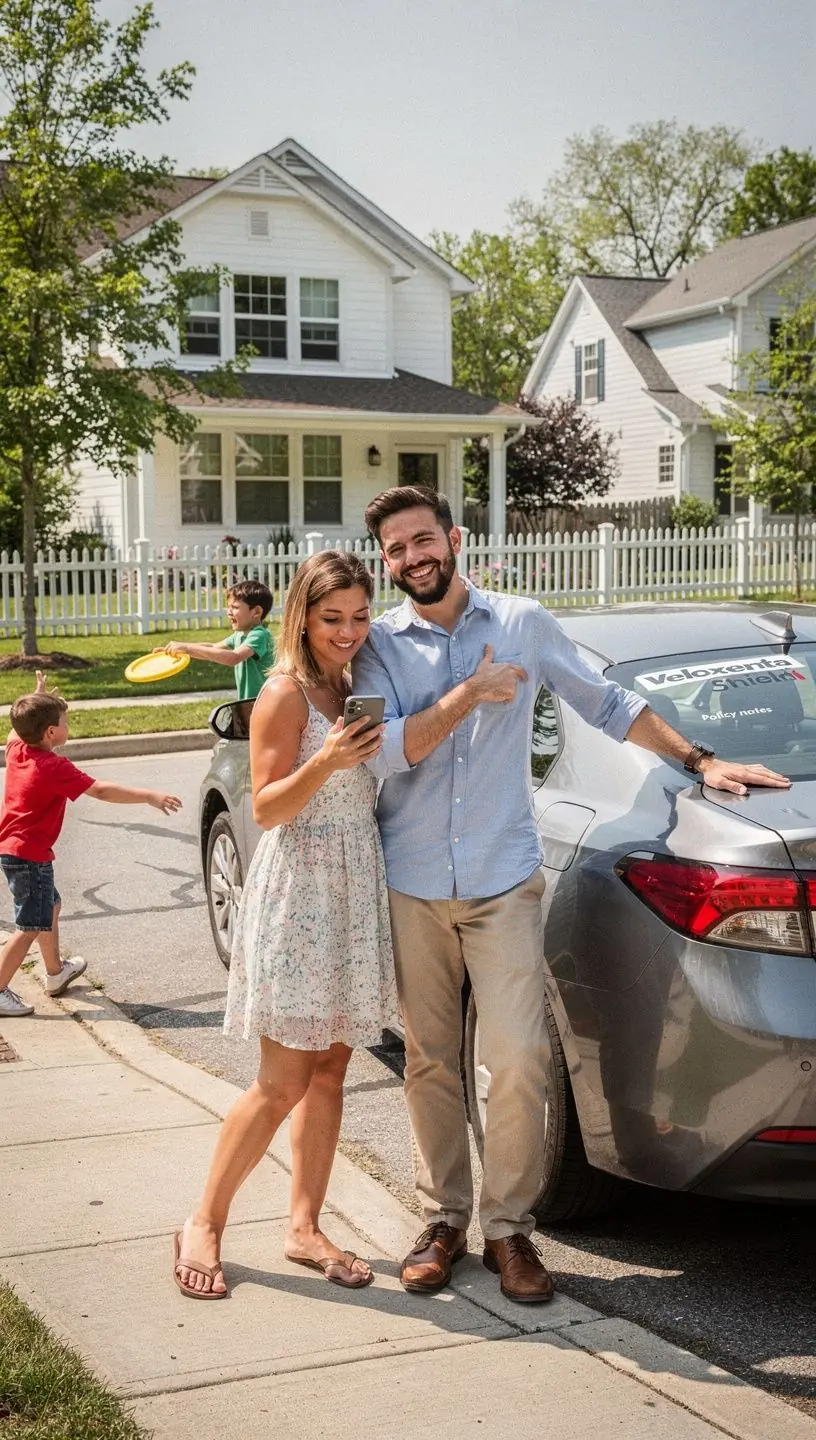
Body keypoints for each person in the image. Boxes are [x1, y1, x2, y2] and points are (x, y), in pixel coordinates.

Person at [352, 484, 791, 1306]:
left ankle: (509, 1228)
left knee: (517, 1059)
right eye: (395, 551)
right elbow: (382, 757)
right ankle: (443, 1218)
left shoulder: (523, 622)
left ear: (452, 538)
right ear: (388, 563)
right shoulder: (379, 647)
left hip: (502, 881)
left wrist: (700, 762)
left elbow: (610, 704)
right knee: (428, 1061)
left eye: (421, 540)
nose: (411, 559)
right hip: (412, 882)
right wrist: (463, 699)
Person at [174, 551, 397, 1300]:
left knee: (331, 1068)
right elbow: (266, 809)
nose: (348, 631)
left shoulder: (355, 684)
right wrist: (329, 760)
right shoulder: (284, 693)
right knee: (282, 1079)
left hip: (352, 884)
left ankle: (304, 1227)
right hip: (300, 888)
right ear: (303, 615)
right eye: (333, 618)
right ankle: (203, 1219)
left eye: (361, 617)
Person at [0, 675, 182, 1019]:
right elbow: (100, 790)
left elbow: (16, 729)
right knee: (29, 925)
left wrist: (37, 697)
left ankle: (56, 973)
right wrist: (150, 796)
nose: (68, 727)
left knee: (49, 907)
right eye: (65, 722)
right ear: (51, 733)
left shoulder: (19, 749)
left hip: (17, 851)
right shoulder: (52, 766)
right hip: (28, 855)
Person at [162, 579, 275, 704]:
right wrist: (180, 649)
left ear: (256, 612)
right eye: (228, 607)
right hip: (249, 703)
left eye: (235, 607)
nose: (228, 612)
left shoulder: (260, 635)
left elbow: (233, 658)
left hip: (265, 703)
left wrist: (188, 649)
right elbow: (213, 647)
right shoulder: (239, 635)